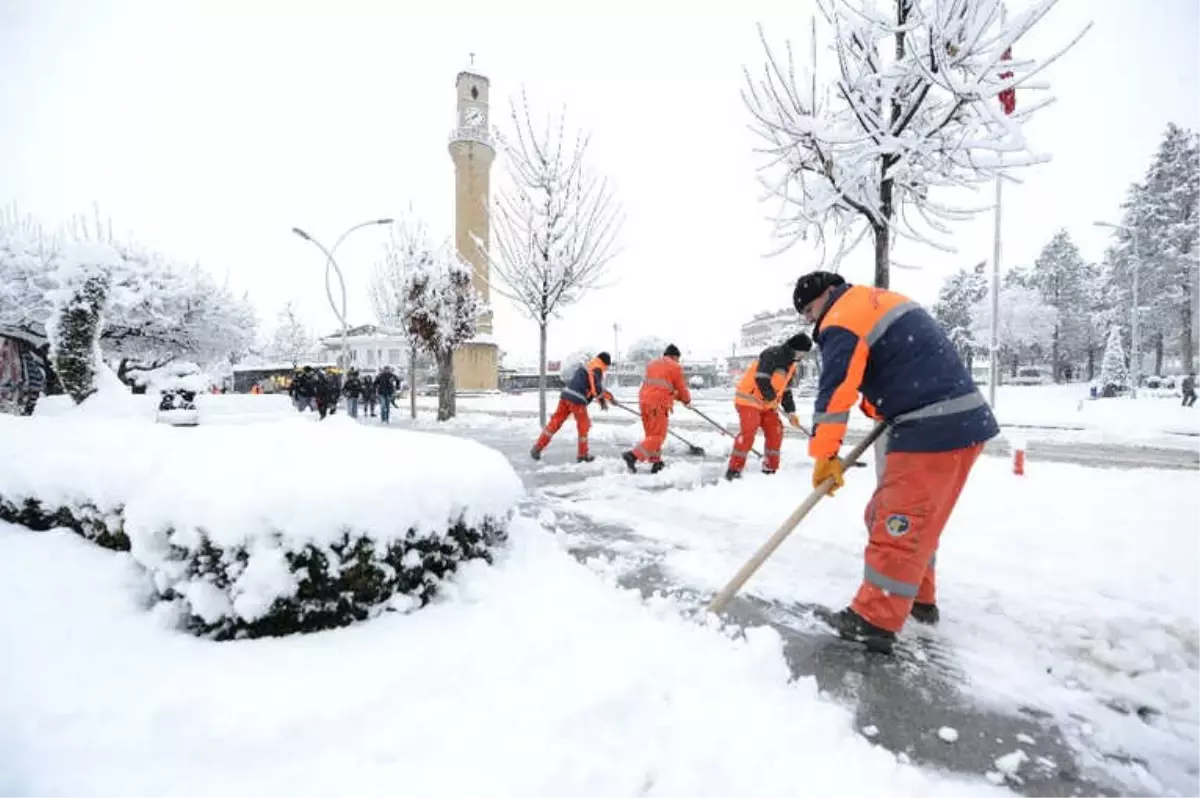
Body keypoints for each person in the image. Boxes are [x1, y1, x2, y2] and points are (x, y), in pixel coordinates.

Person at [793, 270, 1000, 654]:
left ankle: (873, 619)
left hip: (932, 426)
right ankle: (918, 600)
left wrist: (825, 454)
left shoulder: (840, 319)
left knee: (897, 523)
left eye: (808, 310)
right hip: (952, 421)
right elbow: (897, 371)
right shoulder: (877, 302)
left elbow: (836, 392)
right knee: (904, 519)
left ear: (826, 294)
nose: (810, 321)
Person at [725, 333, 812, 481]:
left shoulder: (791, 365)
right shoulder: (772, 354)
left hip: (767, 405)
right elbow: (762, 378)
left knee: (775, 431)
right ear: (796, 349)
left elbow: (786, 390)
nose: (803, 356)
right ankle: (734, 470)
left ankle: (770, 469)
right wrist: (771, 398)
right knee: (749, 432)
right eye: (803, 353)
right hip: (749, 400)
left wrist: (791, 411)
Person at [531, 352, 614, 463]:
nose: (606, 369)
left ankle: (537, 448)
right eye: (607, 366)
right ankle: (582, 455)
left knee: (555, 423)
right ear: (606, 363)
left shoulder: (589, 365)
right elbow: (596, 388)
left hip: (566, 395)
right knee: (583, 426)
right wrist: (602, 401)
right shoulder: (598, 368)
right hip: (577, 400)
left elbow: (596, 386)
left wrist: (610, 398)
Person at [622, 344, 692, 474]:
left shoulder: (653, 364)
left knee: (651, 436)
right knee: (658, 436)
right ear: (674, 356)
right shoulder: (675, 367)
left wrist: (677, 397)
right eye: (678, 359)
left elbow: (661, 386)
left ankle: (656, 462)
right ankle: (632, 455)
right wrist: (686, 400)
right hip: (658, 404)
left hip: (644, 402)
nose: (678, 362)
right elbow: (681, 388)